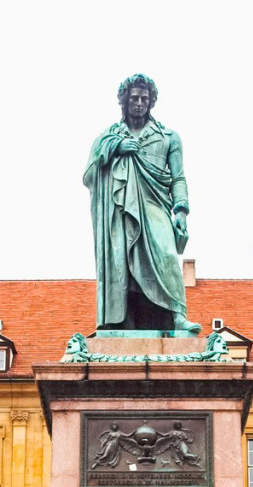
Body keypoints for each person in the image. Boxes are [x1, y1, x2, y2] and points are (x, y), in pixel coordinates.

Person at [84, 74, 200, 334]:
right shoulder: (108, 137)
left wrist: (181, 210)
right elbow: (89, 175)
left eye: (144, 99)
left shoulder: (168, 137)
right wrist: (115, 148)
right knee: (121, 264)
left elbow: (178, 178)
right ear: (124, 101)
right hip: (120, 209)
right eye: (134, 98)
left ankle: (177, 316)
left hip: (155, 203)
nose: (139, 103)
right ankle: (123, 320)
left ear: (151, 103)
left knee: (167, 255)